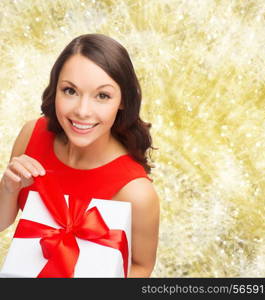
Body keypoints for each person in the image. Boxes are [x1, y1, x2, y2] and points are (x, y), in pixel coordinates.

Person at [0, 33, 159, 277]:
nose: (83, 111)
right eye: (70, 91)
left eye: (102, 96)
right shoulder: (32, 134)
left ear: (123, 101)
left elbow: (141, 266)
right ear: (55, 89)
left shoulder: (136, 192)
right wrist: (8, 188)